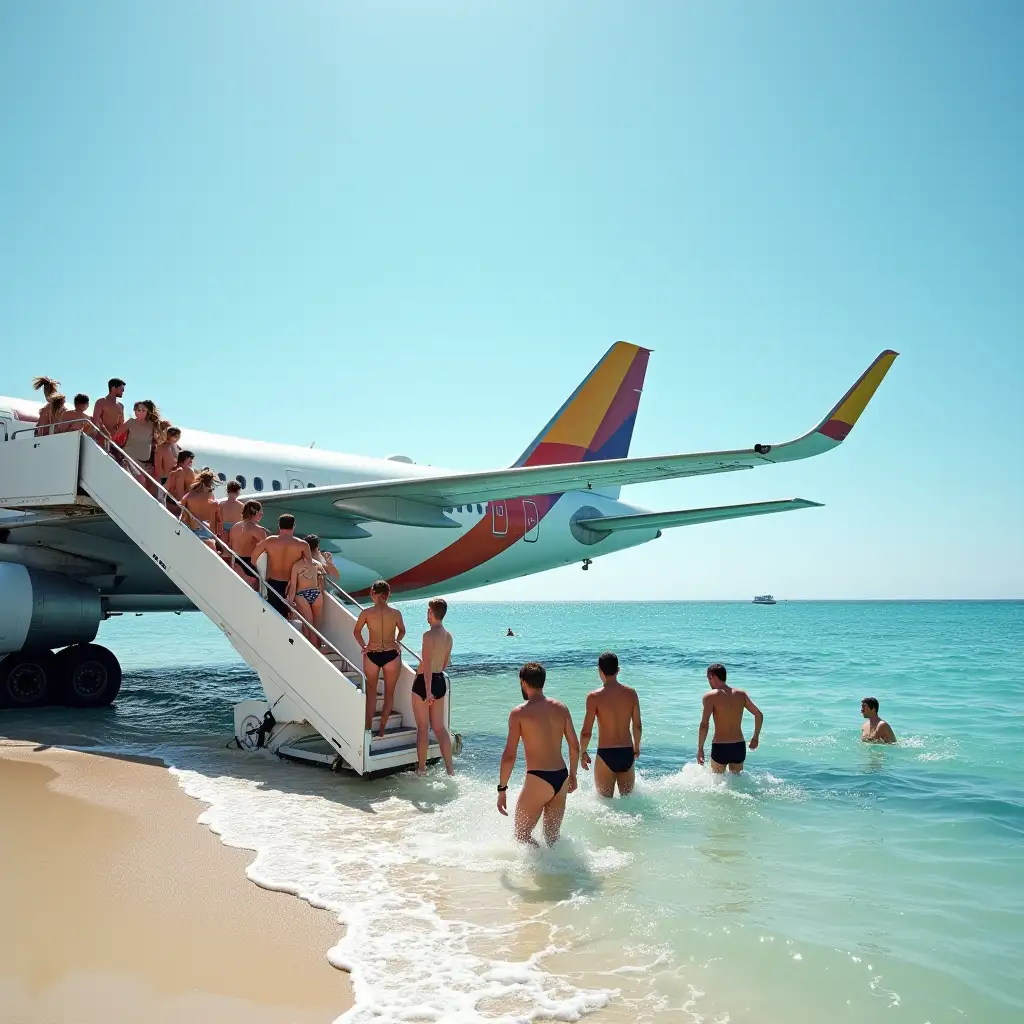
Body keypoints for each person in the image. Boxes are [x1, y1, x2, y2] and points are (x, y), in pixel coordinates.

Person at [497, 662, 580, 846]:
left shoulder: (519, 713)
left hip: (538, 778)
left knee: (521, 835)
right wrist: (573, 775)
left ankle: (537, 872)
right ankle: (560, 873)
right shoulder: (561, 708)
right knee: (552, 840)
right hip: (561, 776)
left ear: (523, 682)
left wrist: (502, 789)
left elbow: (509, 756)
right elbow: (574, 746)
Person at [579, 651, 642, 797]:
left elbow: (586, 731)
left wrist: (583, 752)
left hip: (606, 753)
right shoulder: (631, 693)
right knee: (628, 803)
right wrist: (636, 746)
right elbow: (637, 725)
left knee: (605, 804)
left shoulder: (594, 697)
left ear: (600, 670)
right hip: (627, 751)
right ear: (618, 670)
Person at [353, 581, 406, 735]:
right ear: (387, 595)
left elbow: (356, 632)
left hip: (372, 653)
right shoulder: (395, 613)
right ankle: (382, 729)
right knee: (389, 693)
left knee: (371, 693)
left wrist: (364, 646)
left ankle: (368, 729)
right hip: (391, 653)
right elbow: (402, 631)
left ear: (373, 594)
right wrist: (397, 641)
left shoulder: (366, 613)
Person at [411, 598, 454, 776]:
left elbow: (426, 664)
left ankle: (421, 770)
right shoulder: (448, 636)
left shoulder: (428, 635)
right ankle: (450, 770)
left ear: (431, 612)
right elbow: (445, 664)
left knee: (423, 729)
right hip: (440, 681)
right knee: (440, 728)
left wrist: (427, 691)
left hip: (425, 682)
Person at [697, 663, 763, 774]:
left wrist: (700, 748)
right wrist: (755, 738)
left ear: (713, 676)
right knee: (737, 783)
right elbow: (759, 714)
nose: (708, 682)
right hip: (739, 746)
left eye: (708, 678)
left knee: (717, 784)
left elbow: (704, 724)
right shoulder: (741, 694)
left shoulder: (710, 696)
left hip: (720, 746)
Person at [250, 515, 311, 617]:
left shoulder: (269, 541)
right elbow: (308, 567)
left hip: (273, 583)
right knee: (291, 615)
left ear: (279, 526)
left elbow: (253, 559)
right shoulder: (302, 545)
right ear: (294, 526)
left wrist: (263, 574)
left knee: (275, 615)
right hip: (292, 585)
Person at [287, 544, 325, 645]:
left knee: (309, 623)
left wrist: (290, 601)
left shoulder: (297, 565)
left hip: (301, 594)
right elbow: (321, 583)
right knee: (316, 625)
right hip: (316, 593)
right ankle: (318, 645)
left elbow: (294, 586)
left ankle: (312, 647)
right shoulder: (317, 564)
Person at [227, 499, 267, 587]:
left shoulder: (235, 527)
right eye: (260, 514)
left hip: (236, 562)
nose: (261, 516)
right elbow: (268, 547)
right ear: (255, 513)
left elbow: (230, 545)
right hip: (249, 564)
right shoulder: (256, 529)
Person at [122, 400, 162, 484]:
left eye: (143, 410)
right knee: (141, 480)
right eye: (139, 410)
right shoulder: (134, 422)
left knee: (150, 482)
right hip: (132, 456)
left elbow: (158, 441)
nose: (140, 412)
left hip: (146, 460)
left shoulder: (153, 425)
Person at [181, 470, 222, 549]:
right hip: (206, 530)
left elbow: (181, 503)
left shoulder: (191, 494)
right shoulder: (210, 495)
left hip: (191, 529)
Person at [92, 378, 126, 444]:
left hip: (114, 440)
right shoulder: (101, 402)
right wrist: (107, 433)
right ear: (113, 388)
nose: (123, 391)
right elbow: (96, 421)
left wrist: (115, 435)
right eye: (121, 389)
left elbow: (121, 424)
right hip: (101, 438)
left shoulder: (121, 406)